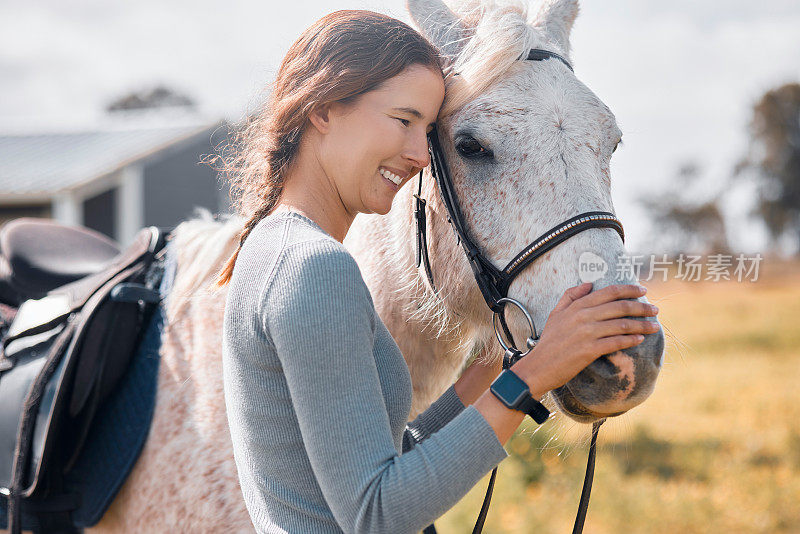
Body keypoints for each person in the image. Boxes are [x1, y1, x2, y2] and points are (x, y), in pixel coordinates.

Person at [218, 9, 660, 534]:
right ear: (325, 109)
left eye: (429, 130)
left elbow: (372, 464)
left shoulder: (273, 248)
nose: (421, 155)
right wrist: (530, 379)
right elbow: (376, 514)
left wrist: (485, 381)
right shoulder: (319, 271)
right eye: (404, 121)